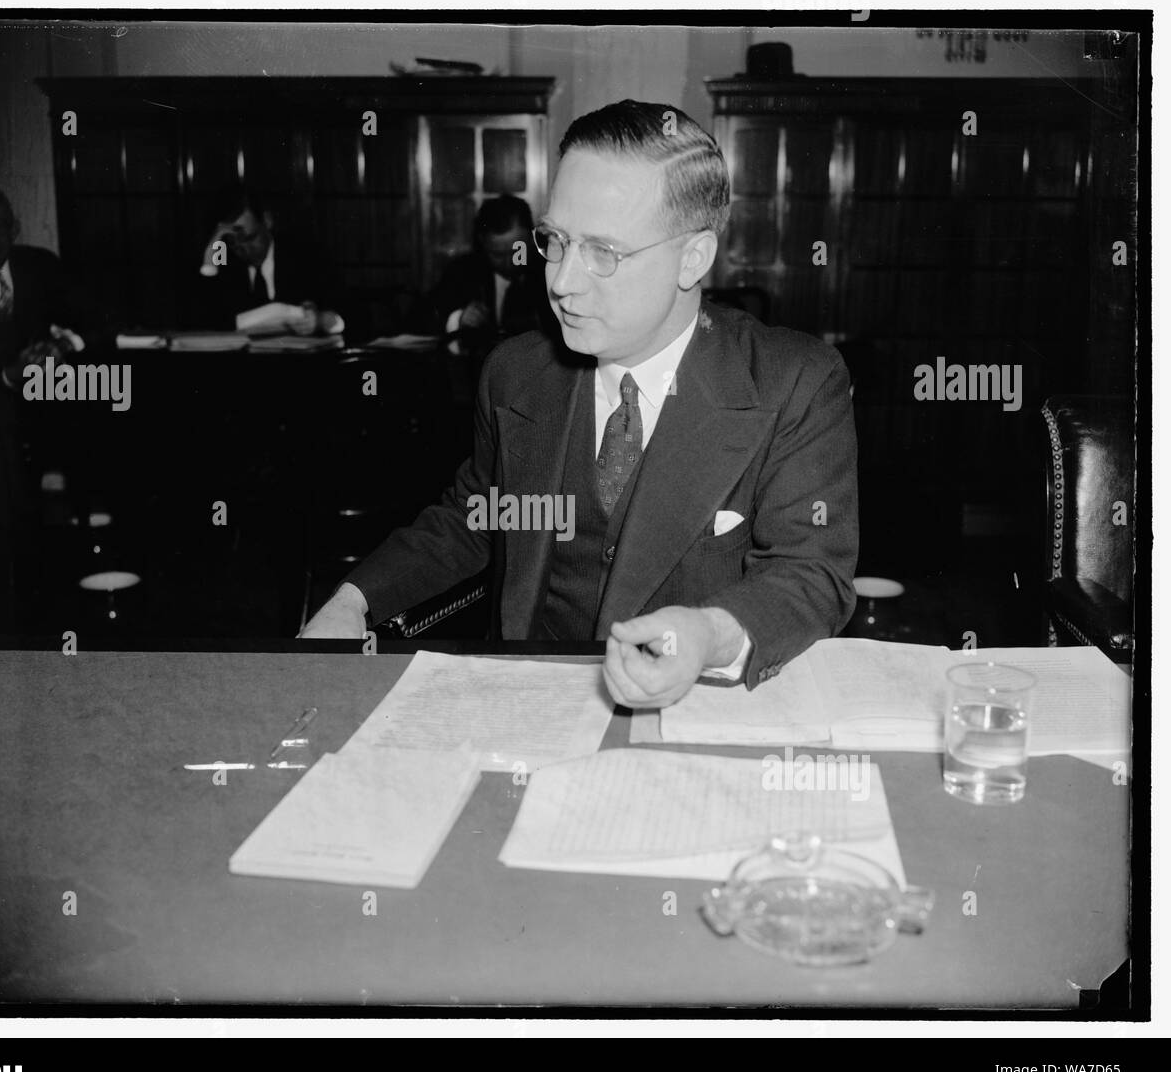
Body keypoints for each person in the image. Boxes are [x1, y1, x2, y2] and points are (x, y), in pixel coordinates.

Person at [301, 100, 858, 709]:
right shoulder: (515, 373)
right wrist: (353, 599)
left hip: (693, 712)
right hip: (527, 706)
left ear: (693, 258)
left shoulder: (794, 381)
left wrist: (708, 633)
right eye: (556, 241)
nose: (562, 281)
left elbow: (812, 573)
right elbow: (476, 518)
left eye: (603, 252)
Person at [0, 183, 111, 615]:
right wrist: (5, 375)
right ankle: (7, 581)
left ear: (15, 227)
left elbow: (95, 321)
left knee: (103, 397)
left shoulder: (39, 266)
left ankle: (90, 555)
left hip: (46, 399)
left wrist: (65, 346)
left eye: (2, 224)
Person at [195, 185, 344, 334]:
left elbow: (348, 315)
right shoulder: (224, 259)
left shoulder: (307, 256)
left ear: (267, 221)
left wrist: (320, 320)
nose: (243, 249)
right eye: (233, 242)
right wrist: (210, 260)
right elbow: (201, 320)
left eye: (250, 238)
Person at [431, 194, 550, 351]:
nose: (509, 262)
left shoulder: (549, 271)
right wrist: (458, 320)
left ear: (531, 238)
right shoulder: (461, 272)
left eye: (517, 250)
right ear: (483, 243)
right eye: (498, 254)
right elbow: (428, 322)